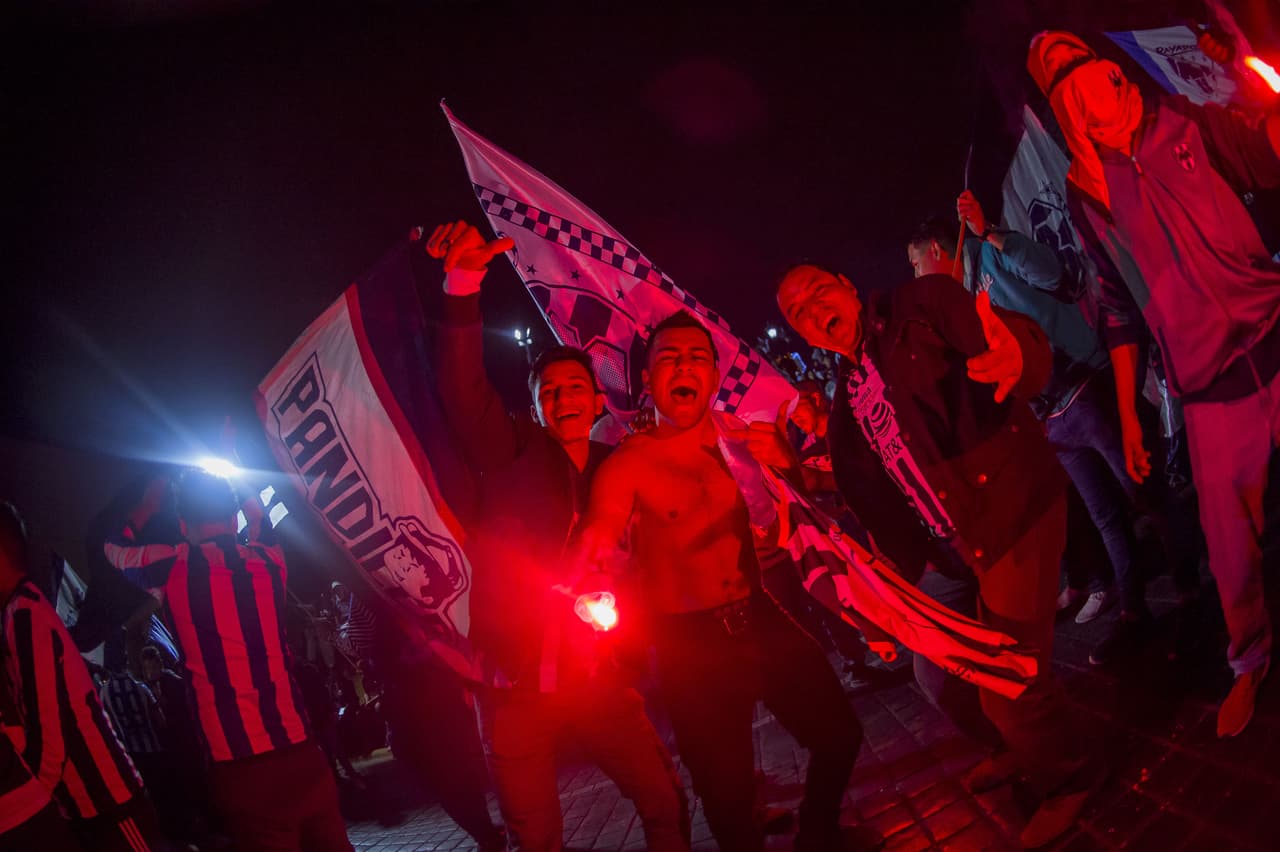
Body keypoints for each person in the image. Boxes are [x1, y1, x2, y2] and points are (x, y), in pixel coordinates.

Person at [777, 263, 1101, 848]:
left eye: (819, 290)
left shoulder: (921, 306)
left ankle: (1069, 777)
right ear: (803, 334)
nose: (812, 308)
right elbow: (860, 489)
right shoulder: (846, 401)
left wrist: (1018, 355)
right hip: (946, 552)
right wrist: (787, 470)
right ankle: (1012, 747)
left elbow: (1005, 341)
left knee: (1007, 680)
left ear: (848, 286)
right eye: (797, 312)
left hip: (1008, 515)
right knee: (937, 676)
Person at [1028, 30, 1280, 736]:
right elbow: (1116, 304)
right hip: (1208, 383)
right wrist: (1132, 416)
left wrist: (1258, 90)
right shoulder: (1089, 193)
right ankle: (1250, 658)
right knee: (1229, 543)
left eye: (1080, 60)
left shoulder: (1181, 121)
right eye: (1058, 76)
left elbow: (1262, 154)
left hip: (1274, 327)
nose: (1080, 80)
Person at [422, 221, 689, 852]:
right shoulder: (510, 451)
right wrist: (462, 283)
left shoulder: (620, 469)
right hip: (513, 687)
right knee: (536, 837)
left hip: (598, 680)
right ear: (537, 409)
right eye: (550, 392)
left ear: (597, 401)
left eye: (576, 388)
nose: (564, 397)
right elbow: (463, 393)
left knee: (665, 803)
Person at [581, 311, 873, 852]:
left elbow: (802, 502)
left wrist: (785, 462)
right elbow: (601, 529)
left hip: (757, 614)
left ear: (714, 377)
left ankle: (819, 834)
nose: (683, 366)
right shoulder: (628, 465)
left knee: (840, 734)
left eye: (697, 357)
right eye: (669, 358)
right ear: (647, 379)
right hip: (688, 644)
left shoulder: (740, 442)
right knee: (726, 792)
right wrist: (593, 563)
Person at [907, 201, 1156, 663]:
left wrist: (991, 231)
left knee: (1144, 491)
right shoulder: (958, 306)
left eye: (916, 264)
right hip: (1051, 414)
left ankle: (1196, 584)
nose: (916, 276)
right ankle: (1135, 612)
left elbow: (1053, 274)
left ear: (938, 252)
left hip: (1082, 384)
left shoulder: (991, 254)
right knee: (1105, 515)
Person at [101, 470, 352, 852]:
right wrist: (237, 474)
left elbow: (113, 548)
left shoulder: (172, 566)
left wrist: (148, 504)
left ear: (183, 525)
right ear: (234, 518)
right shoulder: (269, 561)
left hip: (241, 770)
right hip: (303, 752)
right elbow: (259, 517)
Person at [0, 501, 170, 852]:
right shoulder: (18, 613)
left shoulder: (26, 614)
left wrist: (34, 805)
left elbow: (49, 731)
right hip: (90, 806)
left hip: (106, 802)